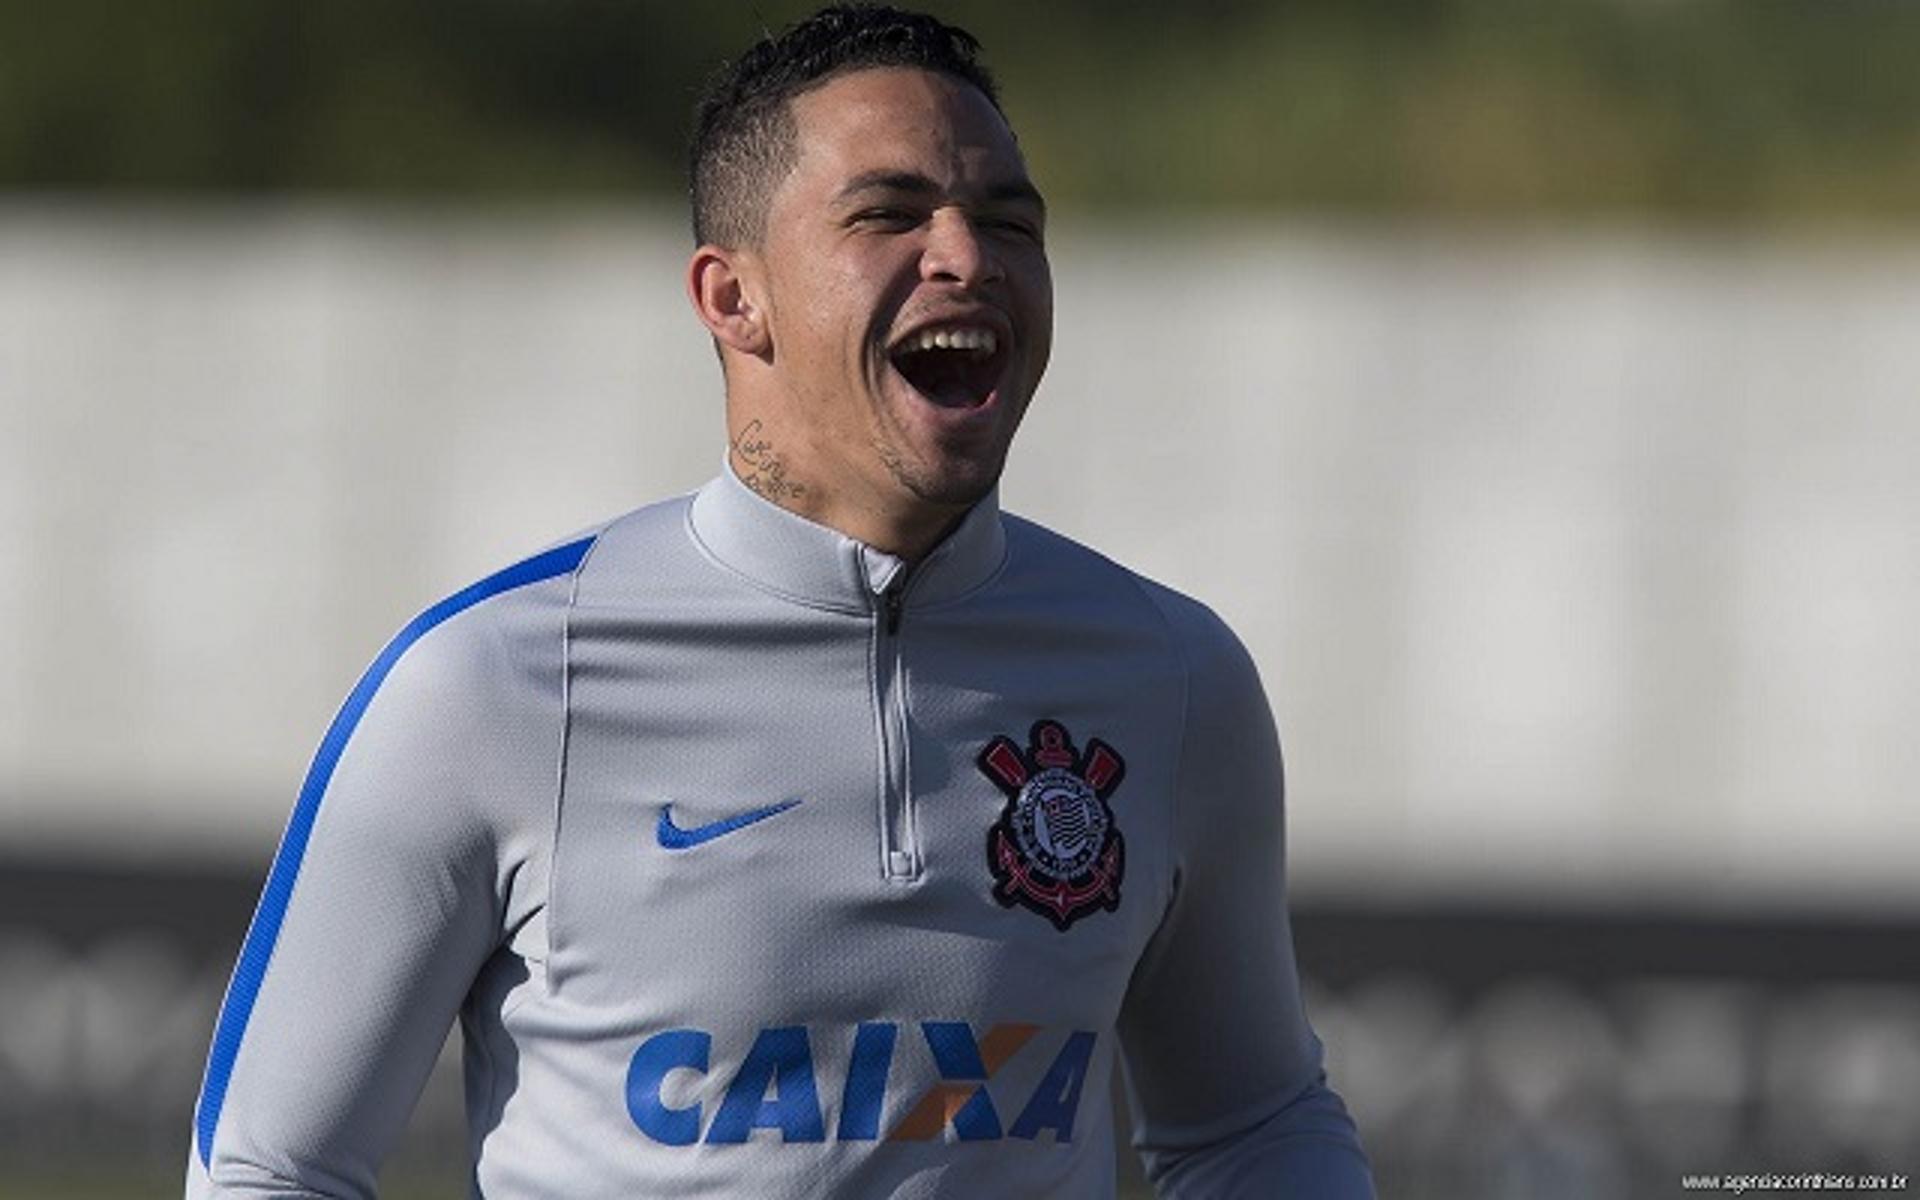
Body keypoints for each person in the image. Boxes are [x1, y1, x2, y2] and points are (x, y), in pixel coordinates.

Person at [186, 6, 1375, 1197]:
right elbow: (267, 1166)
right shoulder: (491, 685)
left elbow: (1253, 1128)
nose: (968, 254)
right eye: (889, 213)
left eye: (1010, 219)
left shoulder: (1171, 677)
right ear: (732, 299)